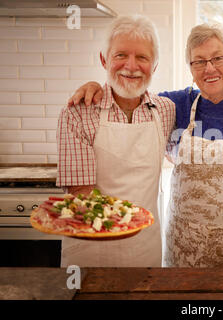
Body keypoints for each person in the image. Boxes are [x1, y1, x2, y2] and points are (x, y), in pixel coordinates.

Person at [67, 24, 223, 268]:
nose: (209, 68)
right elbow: (128, 96)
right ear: (190, 69)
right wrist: (96, 87)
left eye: (218, 58)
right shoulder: (173, 104)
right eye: (198, 61)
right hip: (185, 246)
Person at [56, 15, 176, 267]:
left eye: (142, 57)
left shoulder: (166, 110)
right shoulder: (77, 113)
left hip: (146, 248)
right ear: (104, 59)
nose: (131, 66)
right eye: (121, 55)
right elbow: (82, 196)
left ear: (154, 65)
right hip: (91, 248)